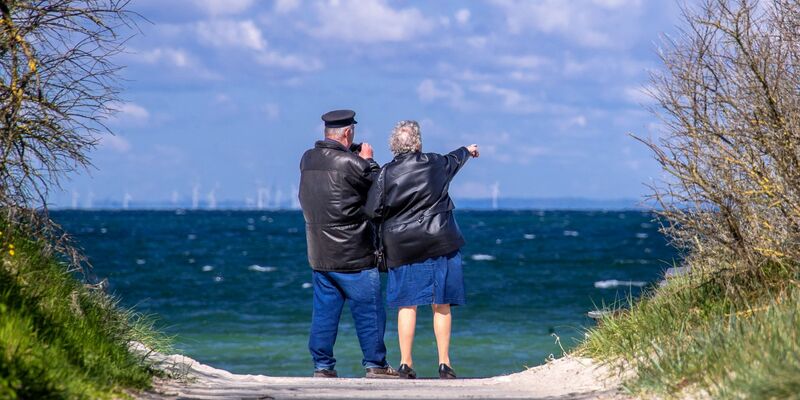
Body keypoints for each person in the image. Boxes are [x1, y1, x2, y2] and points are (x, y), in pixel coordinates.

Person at [365, 120, 479, 379]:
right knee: (442, 304)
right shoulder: (435, 163)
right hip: (440, 241)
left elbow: (372, 210)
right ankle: (444, 363)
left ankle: (405, 363)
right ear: (417, 143)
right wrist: (468, 150)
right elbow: (455, 159)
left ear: (394, 144)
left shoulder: (386, 173)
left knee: (407, 304)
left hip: (402, 247)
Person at [298, 109, 398, 379]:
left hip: (320, 253)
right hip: (354, 252)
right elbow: (381, 187)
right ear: (347, 132)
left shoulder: (308, 159)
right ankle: (375, 365)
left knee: (324, 314)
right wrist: (368, 160)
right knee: (369, 313)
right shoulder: (353, 164)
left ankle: (322, 366)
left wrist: (354, 158)